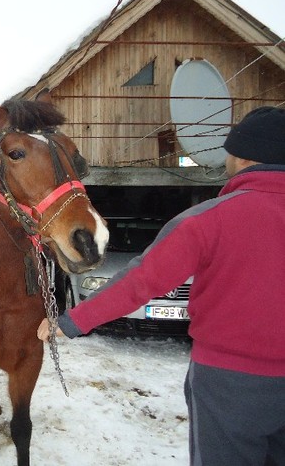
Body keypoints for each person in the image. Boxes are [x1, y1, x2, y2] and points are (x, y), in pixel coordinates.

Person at [37, 106, 285, 466]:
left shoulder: (209, 219)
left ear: (244, 157)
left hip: (231, 383)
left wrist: (71, 322)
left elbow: (142, 282)